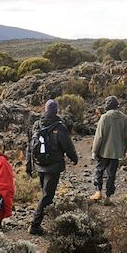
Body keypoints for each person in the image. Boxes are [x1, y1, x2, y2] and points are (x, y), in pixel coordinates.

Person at [26, 99, 78, 235]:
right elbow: (67, 146)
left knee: (45, 194)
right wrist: (74, 158)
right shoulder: (59, 127)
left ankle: (46, 216)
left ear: (45, 109)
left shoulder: (37, 124)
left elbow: (29, 147)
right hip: (53, 166)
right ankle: (35, 225)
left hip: (39, 164)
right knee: (47, 196)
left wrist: (28, 165)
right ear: (56, 111)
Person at [91, 95, 127, 204]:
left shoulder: (104, 117)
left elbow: (99, 136)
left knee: (99, 171)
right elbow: (126, 137)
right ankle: (108, 197)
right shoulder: (124, 118)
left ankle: (98, 192)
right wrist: (124, 151)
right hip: (116, 152)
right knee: (111, 174)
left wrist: (94, 151)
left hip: (104, 151)